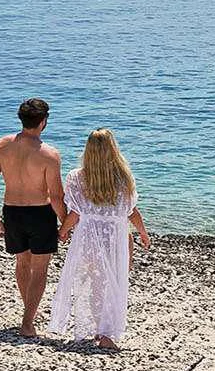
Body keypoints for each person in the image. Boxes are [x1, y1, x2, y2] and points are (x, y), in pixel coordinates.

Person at [49, 128, 152, 349]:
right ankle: (106, 333)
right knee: (115, 283)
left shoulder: (77, 177)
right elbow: (131, 211)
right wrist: (142, 232)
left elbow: (75, 214)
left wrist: (62, 231)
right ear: (113, 150)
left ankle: (100, 329)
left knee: (96, 283)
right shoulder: (123, 178)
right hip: (117, 238)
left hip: (89, 237)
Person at [0, 98, 66, 338]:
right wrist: (66, 222)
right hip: (40, 213)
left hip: (13, 210)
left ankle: (29, 309)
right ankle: (28, 322)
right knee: (39, 270)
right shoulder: (49, 154)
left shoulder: (1, 145)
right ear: (43, 122)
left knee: (22, 263)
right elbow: (56, 195)